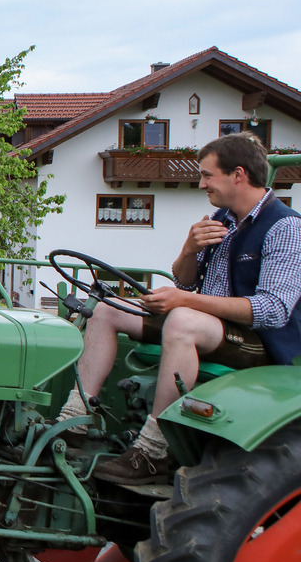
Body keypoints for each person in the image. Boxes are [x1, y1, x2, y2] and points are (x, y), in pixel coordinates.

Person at [57, 133, 301, 485]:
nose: (201, 183)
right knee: (108, 308)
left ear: (238, 174)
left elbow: (272, 310)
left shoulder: (285, 227)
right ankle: (76, 417)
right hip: (212, 325)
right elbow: (185, 282)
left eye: (207, 175)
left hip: (260, 341)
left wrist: (184, 301)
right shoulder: (224, 219)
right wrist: (189, 249)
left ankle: (153, 450)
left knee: (183, 321)